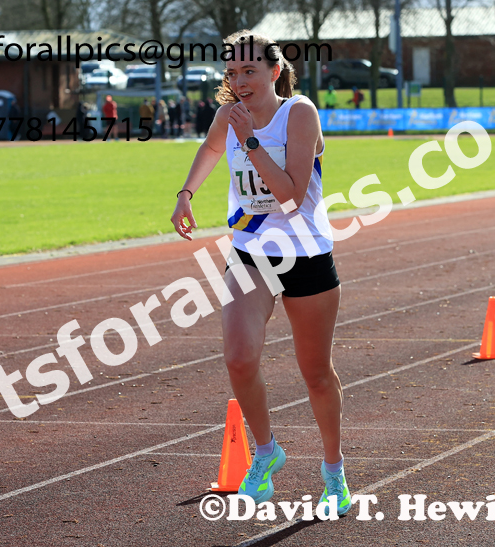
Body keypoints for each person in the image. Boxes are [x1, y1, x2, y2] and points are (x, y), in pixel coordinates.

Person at [169, 30, 349, 517]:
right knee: (239, 357)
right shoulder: (228, 116)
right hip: (251, 251)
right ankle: (266, 454)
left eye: (249, 71)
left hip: (305, 253)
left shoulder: (300, 113)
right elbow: (210, 149)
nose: (239, 81)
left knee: (315, 374)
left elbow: (290, 196)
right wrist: (187, 194)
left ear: (274, 71)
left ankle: (333, 471)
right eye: (231, 73)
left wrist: (248, 138)